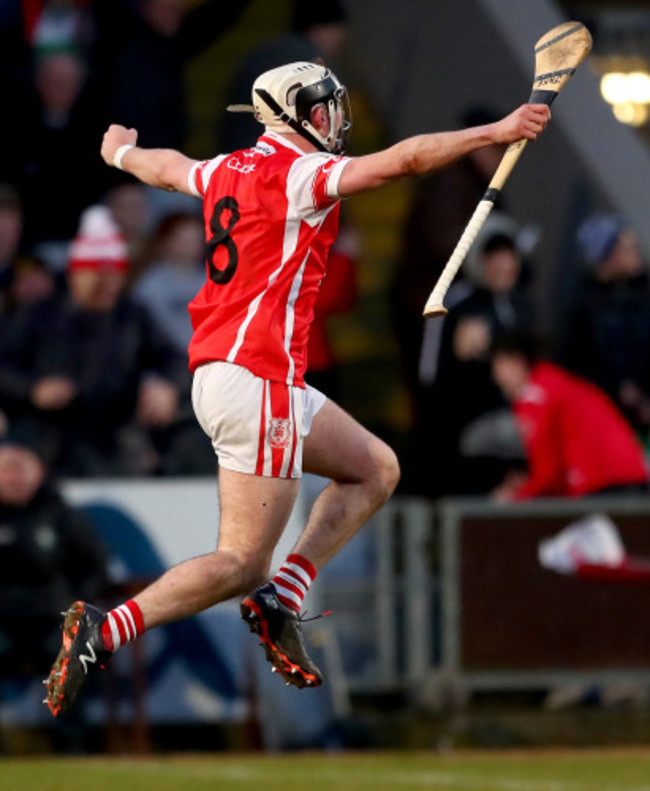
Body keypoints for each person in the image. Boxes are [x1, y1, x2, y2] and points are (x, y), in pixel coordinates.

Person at [44, 60, 549, 716]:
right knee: (240, 563)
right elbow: (403, 161)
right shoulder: (300, 174)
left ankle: (283, 595)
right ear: (285, 118)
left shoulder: (227, 168)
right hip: (258, 381)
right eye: (320, 111)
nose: (334, 122)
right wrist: (497, 130)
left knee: (375, 468)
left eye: (335, 107)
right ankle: (104, 629)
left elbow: (167, 167)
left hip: (231, 376)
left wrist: (121, 153)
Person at [0, 204, 186, 477]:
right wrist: (33, 389)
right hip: (46, 434)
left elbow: (175, 358)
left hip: (115, 436)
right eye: (98, 275)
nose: (108, 285)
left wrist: (167, 387)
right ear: (77, 273)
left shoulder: (131, 315)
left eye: (115, 275)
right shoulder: (38, 314)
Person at [0, 428, 109, 678]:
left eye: (21, 468)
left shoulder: (62, 516)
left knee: (73, 652)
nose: (13, 478)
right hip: (3, 616)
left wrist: (76, 604)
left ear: (39, 471)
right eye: (6, 469)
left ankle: (69, 714)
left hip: (53, 615)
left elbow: (96, 568)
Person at [490, 333, 649, 502]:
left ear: (517, 362)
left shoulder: (537, 396)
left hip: (606, 488)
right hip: (624, 481)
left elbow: (548, 475)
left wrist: (516, 496)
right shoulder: (556, 382)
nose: (496, 377)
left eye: (499, 365)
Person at [561, 213, 650, 440]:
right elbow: (577, 365)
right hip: (607, 417)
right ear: (607, 256)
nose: (636, 252)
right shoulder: (583, 305)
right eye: (626, 248)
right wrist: (619, 388)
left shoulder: (642, 290)